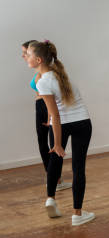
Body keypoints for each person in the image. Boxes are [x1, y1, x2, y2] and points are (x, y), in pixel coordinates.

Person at [27, 40, 95, 226]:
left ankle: (51, 199)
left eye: (29, 55)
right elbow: (56, 110)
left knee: (54, 159)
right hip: (83, 122)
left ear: (39, 59)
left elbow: (55, 115)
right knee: (78, 167)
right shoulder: (61, 75)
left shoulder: (43, 82)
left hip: (62, 124)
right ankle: (77, 214)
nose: (26, 58)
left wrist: (56, 143)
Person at [21, 40, 70, 192]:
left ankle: (55, 179)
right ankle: (54, 178)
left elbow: (51, 97)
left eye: (25, 53)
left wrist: (50, 116)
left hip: (45, 107)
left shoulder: (45, 74)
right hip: (41, 107)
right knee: (44, 143)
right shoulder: (39, 73)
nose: (23, 56)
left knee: (51, 143)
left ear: (37, 56)